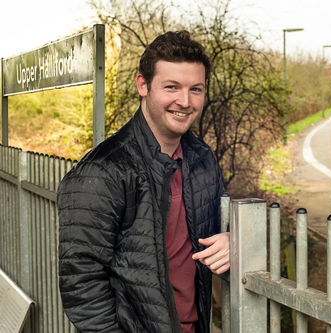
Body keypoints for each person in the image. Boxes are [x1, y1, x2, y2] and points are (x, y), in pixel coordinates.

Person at [57, 30, 229, 333]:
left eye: (196, 89)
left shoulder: (202, 159)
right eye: (172, 87)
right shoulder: (102, 171)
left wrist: (235, 239)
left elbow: (223, 227)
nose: (185, 101)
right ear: (143, 85)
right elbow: (80, 283)